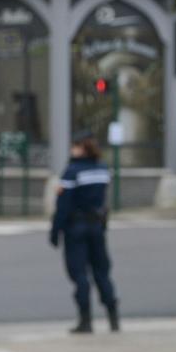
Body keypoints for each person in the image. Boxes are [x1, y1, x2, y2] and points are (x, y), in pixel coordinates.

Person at [50, 132, 118, 334]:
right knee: (102, 272)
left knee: (79, 274)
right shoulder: (102, 169)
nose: (72, 149)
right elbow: (103, 199)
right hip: (97, 226)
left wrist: (55, 231)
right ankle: (113, 317)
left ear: (82, 148)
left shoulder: (72, 172)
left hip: (76, 228)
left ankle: (85, 320)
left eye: (75, 146)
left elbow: (63, 205)